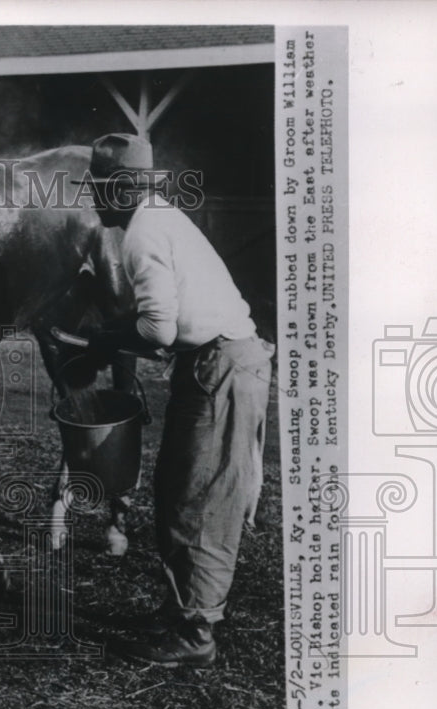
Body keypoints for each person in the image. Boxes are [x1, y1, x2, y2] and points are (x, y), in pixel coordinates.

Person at [74, 133, 274, 665]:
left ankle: (195, 635)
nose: (92, 198)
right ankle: (180, 609)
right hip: (215, 362)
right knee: (177, 488)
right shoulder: (157, 216)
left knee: (199, 498)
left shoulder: (141, 235)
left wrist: (105, 340)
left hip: (223, 365)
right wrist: (111, 336)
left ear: (120, 188)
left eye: (96, 187)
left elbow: (159, 329)